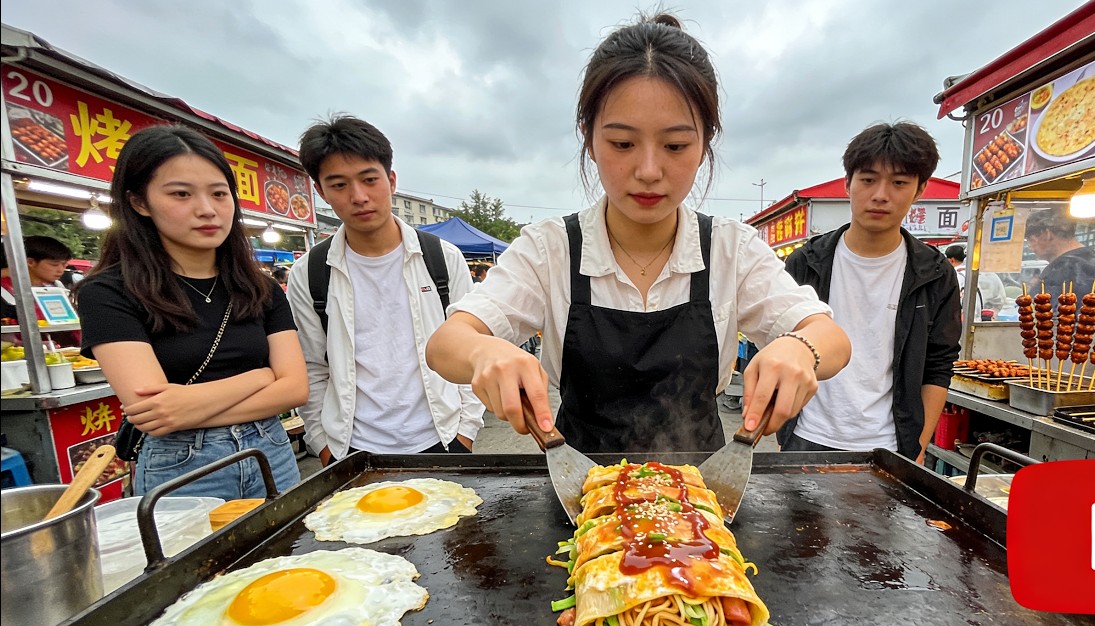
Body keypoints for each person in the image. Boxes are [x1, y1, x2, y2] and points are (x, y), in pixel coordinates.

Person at [426, 13, 849, 452]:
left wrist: (801, 348)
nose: (648, 171)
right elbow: (444, 344)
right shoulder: (549, 248)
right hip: (580, 493)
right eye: (623, 144)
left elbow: (830, 338)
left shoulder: (731, 248)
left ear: (705, 144)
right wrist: (484, 353)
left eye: (675, 146)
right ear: (589, 140)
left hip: (702, 497)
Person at [74, 125, 307, 500]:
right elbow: (157, 413)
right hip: (181, 465)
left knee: (286, 559)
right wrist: (262, 376)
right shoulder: (108, 292)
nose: (207, 209)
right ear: (139, 202)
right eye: (181, 194)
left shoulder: (260, 289)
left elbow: (295, 388)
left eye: (219, 193)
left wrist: (189, 404)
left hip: (271, 453)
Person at [288, 115, 483, 464]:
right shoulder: (310, 272)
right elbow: (312, 367)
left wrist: (464, 433)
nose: (359, 196)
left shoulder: (441, 258)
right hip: (353, 449)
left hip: (441, 438)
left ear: (391, 180)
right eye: (339, 185)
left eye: (369, 179)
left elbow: (472, 349)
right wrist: (324, 446)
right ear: (320, 191)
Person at [780, 122, 961, 462]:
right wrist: (783, 428)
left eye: (899, 182)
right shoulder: (807, 262)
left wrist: (918, 446)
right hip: (807, 435)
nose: (881, 194)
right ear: (848, 183)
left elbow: (939, 364)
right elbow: (781, 346)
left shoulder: (935, 273)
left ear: (919, 189)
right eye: (868, 179)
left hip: (888, 444)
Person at [1, 234, 82, 346]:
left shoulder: (58, 289)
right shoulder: (5, 292)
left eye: (64, 265)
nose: (60, 270)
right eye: (54, 264)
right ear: (30, 262)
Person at [944, 243, 1006, 318]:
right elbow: (1000, 301)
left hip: (962, 323)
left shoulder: (954, 276)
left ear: (951, 260)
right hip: (986, 321)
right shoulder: (991, 275)